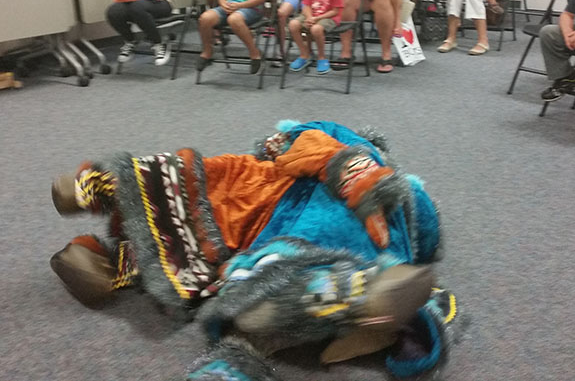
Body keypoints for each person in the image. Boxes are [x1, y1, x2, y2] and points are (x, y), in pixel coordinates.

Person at [47, 119, 453, 379]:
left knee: (204, 183)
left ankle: (102, 195)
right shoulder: (399, 183)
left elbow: (296, 141)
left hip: (273, 202)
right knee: (250, 268)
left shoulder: (336, 135)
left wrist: (334, 160)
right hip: (326, 235)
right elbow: (426, 238)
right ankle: (330, 298)